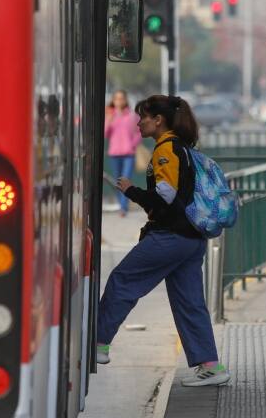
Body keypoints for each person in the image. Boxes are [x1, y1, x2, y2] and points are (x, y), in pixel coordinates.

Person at [96, 95, 230, 387]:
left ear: (159, 120)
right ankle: (211, 365)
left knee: (123, 280)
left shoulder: (165, 149)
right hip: (192, 238)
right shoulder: (182, 147)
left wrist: (132, 191)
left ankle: (100, 343)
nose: (138, 122)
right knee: (190, 302)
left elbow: (166, 196)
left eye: (143, 116)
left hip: (171, 236)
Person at [105, 90, 141, 217]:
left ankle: (123, 208)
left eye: (121, 98)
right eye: (116, 98)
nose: (119, 101)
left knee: (125, 179)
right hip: (114, 153)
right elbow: (105, 133)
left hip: (128, 153)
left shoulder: (132, 115)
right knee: (118, 181)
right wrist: (109, 119)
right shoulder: (110, 115)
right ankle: (122, 205)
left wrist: (132, 144)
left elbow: (139, 132)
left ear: (125, 100)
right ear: (113, 100)